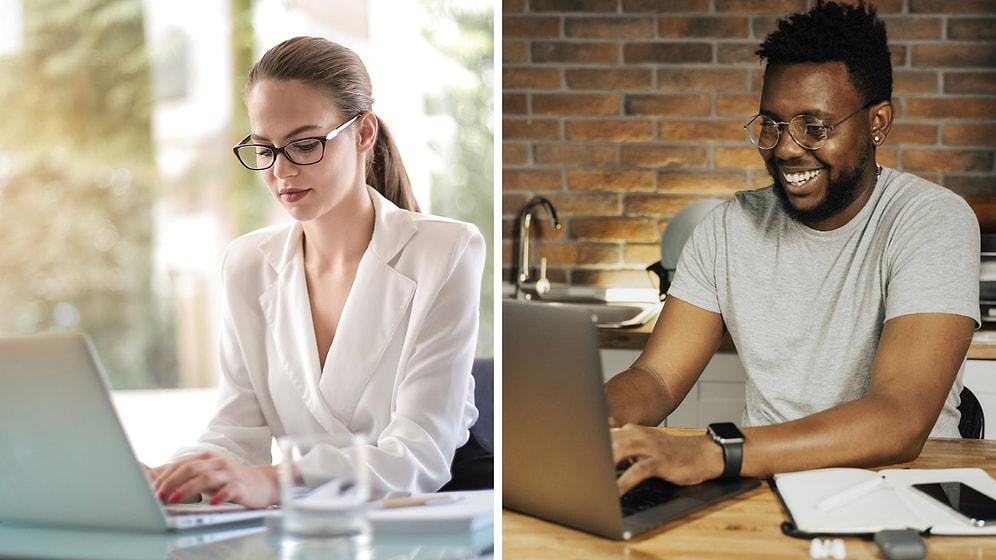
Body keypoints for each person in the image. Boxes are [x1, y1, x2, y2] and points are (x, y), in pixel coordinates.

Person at [608, 0, 980, 495]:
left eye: (814, 127)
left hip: (903, 490)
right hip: (763, 485)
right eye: (773, 125)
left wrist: (715, 452)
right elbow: (655, 377)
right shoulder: (727, 229)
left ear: (877, 122)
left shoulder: (930, 219)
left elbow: (901, 419)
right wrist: (586, 420)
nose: (785, 148)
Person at [149, 36, 487, 508]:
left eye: (304, 144)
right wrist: (172, 478)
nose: (281, 171)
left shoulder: (446, 249)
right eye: (264, 148)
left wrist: (275, 481)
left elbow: (418, 457)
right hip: (317, 522)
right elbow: (234, 433)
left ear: (363, 133)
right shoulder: (248, 264)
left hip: (439, 511)